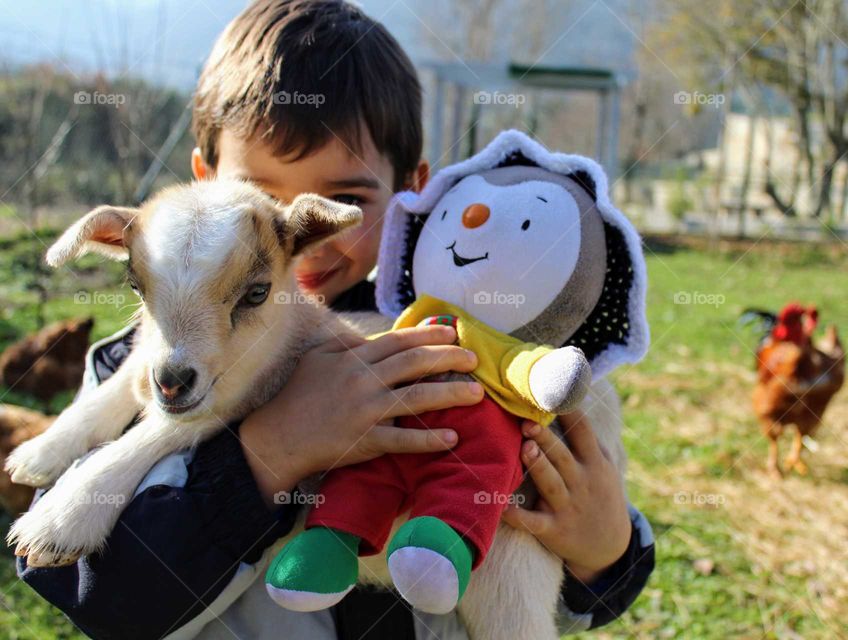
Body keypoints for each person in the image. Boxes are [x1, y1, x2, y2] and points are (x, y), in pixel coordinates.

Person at [17, 2, 654, 638]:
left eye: (346, 199)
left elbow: (565, 588)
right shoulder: (139, 372)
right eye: (262, 196)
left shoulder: (466, 349)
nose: (304, 230)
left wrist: (606, 552)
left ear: (413, 189)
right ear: (204, 182)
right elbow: (101, 597)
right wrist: (268, 456)